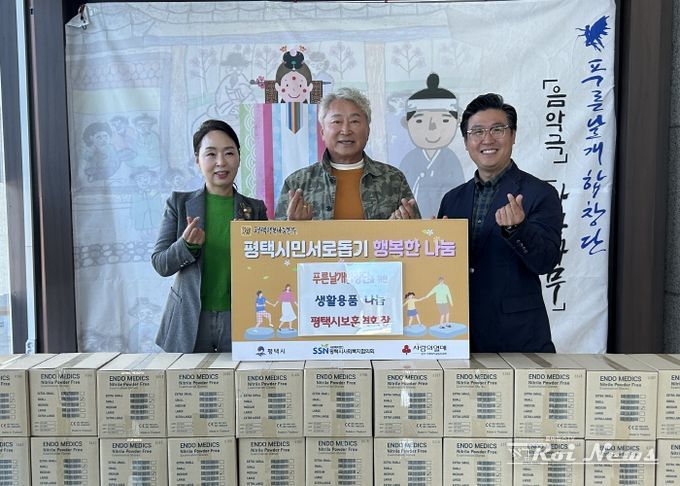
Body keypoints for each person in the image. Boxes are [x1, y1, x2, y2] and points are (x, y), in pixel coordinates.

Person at [437, 93, 563, 352]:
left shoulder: (540, 193)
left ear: (513, 135)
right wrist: (427, 238)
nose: (487, 139)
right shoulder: (452, 199)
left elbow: (546, 262)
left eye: (497, 129)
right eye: (477, 131)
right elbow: (443, 269)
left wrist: (518, 229)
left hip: (518, 337)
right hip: (459, 334)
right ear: (466, 142)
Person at [151, 119, 268, 353]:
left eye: (229, 153)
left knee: (237, 378)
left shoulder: (255, 209)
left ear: (239, 157)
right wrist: (186, 245)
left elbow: (267, 269)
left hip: (240, 316)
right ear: (197, 160)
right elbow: (161, 264)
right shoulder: (179, 203)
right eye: (211, 154)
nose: (221, 162)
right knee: (187, 378)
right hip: (189, 319)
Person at [274, 87, 421, 220]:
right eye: (337, 122)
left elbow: (417, 236)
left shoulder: (393, 179)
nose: (345, 130)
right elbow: (277, 238)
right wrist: (295, 227)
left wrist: (401, 228)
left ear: (368, 131)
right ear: (323, 132)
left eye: (354, 121)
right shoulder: (297, 183)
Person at [400, 73, 465, 218]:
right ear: (407, 124)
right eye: (419, 121)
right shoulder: (409, 160)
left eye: (444, 120)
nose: (432, 128)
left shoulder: (451, 159)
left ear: (456, 122)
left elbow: (460, 195)